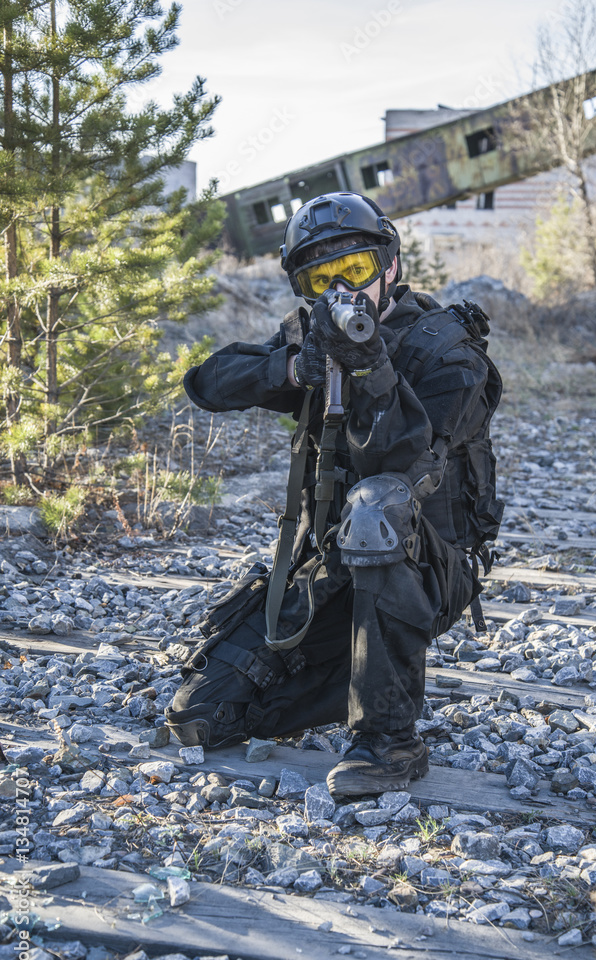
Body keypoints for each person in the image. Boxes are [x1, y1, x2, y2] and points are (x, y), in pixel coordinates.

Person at [165, 191, 502, 797]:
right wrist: (293, 370)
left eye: (355, 271)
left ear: (390, 266)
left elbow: (403, 464)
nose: (341, 292)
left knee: (376, 506)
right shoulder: (311, 337)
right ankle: (362, 669)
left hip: (427, 564)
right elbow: (206, 382)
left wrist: (370, 368)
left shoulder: (446, 354)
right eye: (322, 278)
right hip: (334, 566)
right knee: (201, 715)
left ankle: (389, 741)